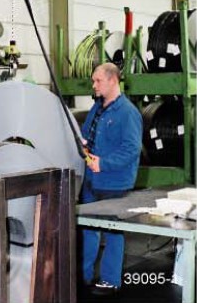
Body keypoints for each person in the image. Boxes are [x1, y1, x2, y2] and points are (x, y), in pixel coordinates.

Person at [80, 62, 143, 296]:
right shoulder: (97, 108)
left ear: (113, 80)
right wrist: (82, 143)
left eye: (98, 81)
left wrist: (103, 163)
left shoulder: (128, 113)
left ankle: (110, 280)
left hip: (114, 182)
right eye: (93, 81)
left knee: (113, 231)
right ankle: (84, 276)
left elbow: (132, 149)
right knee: (88, 228)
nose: (94, 85)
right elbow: (85, 134)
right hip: (91, 180)